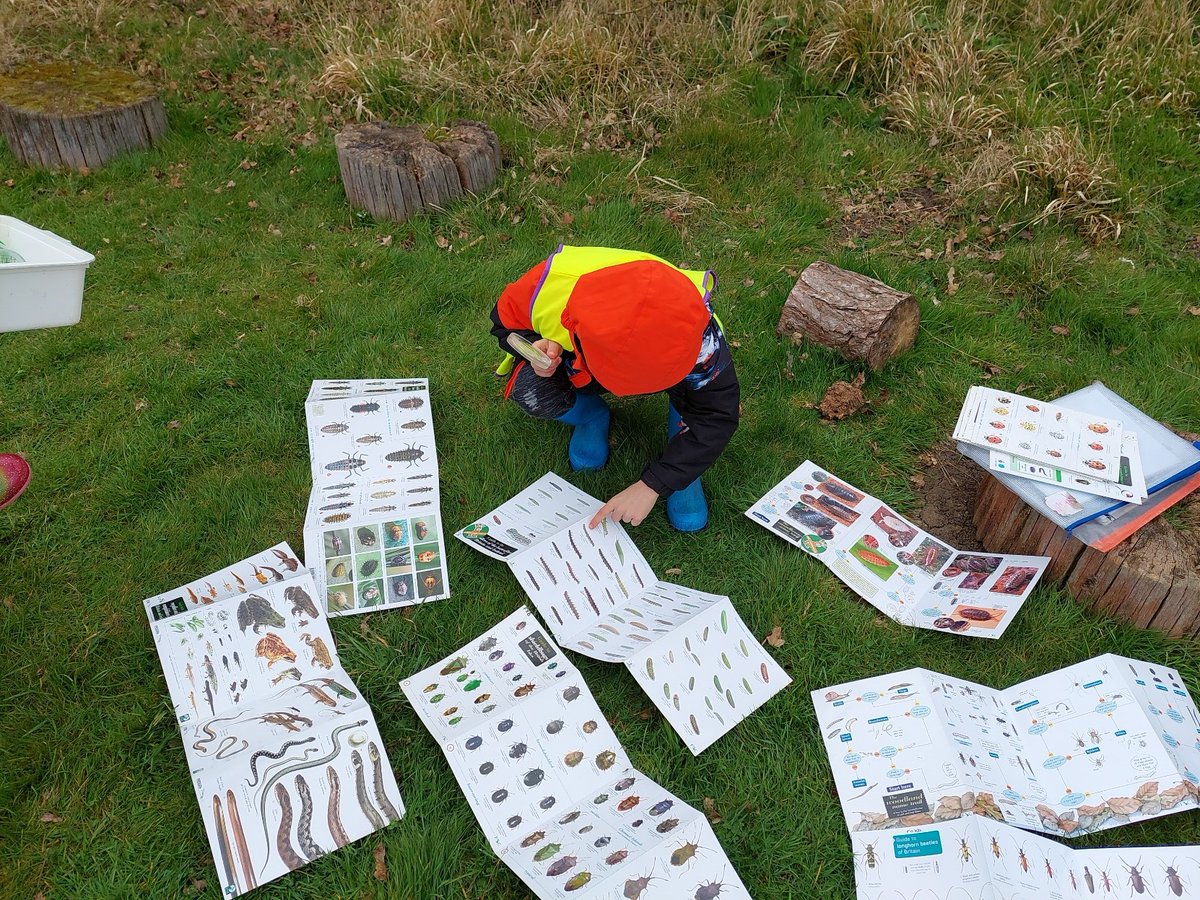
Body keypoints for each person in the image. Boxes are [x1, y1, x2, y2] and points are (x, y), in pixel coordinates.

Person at [491, 245, 739, 532]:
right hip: (576, 357)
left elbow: (716, 416)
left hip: (674, 358)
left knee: (698, 396)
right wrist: (535, 345)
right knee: (531, 390)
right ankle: (591, 417)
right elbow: (503, 323)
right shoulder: (547, 285)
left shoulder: (701, 341)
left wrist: (654, 484)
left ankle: (682, 452)